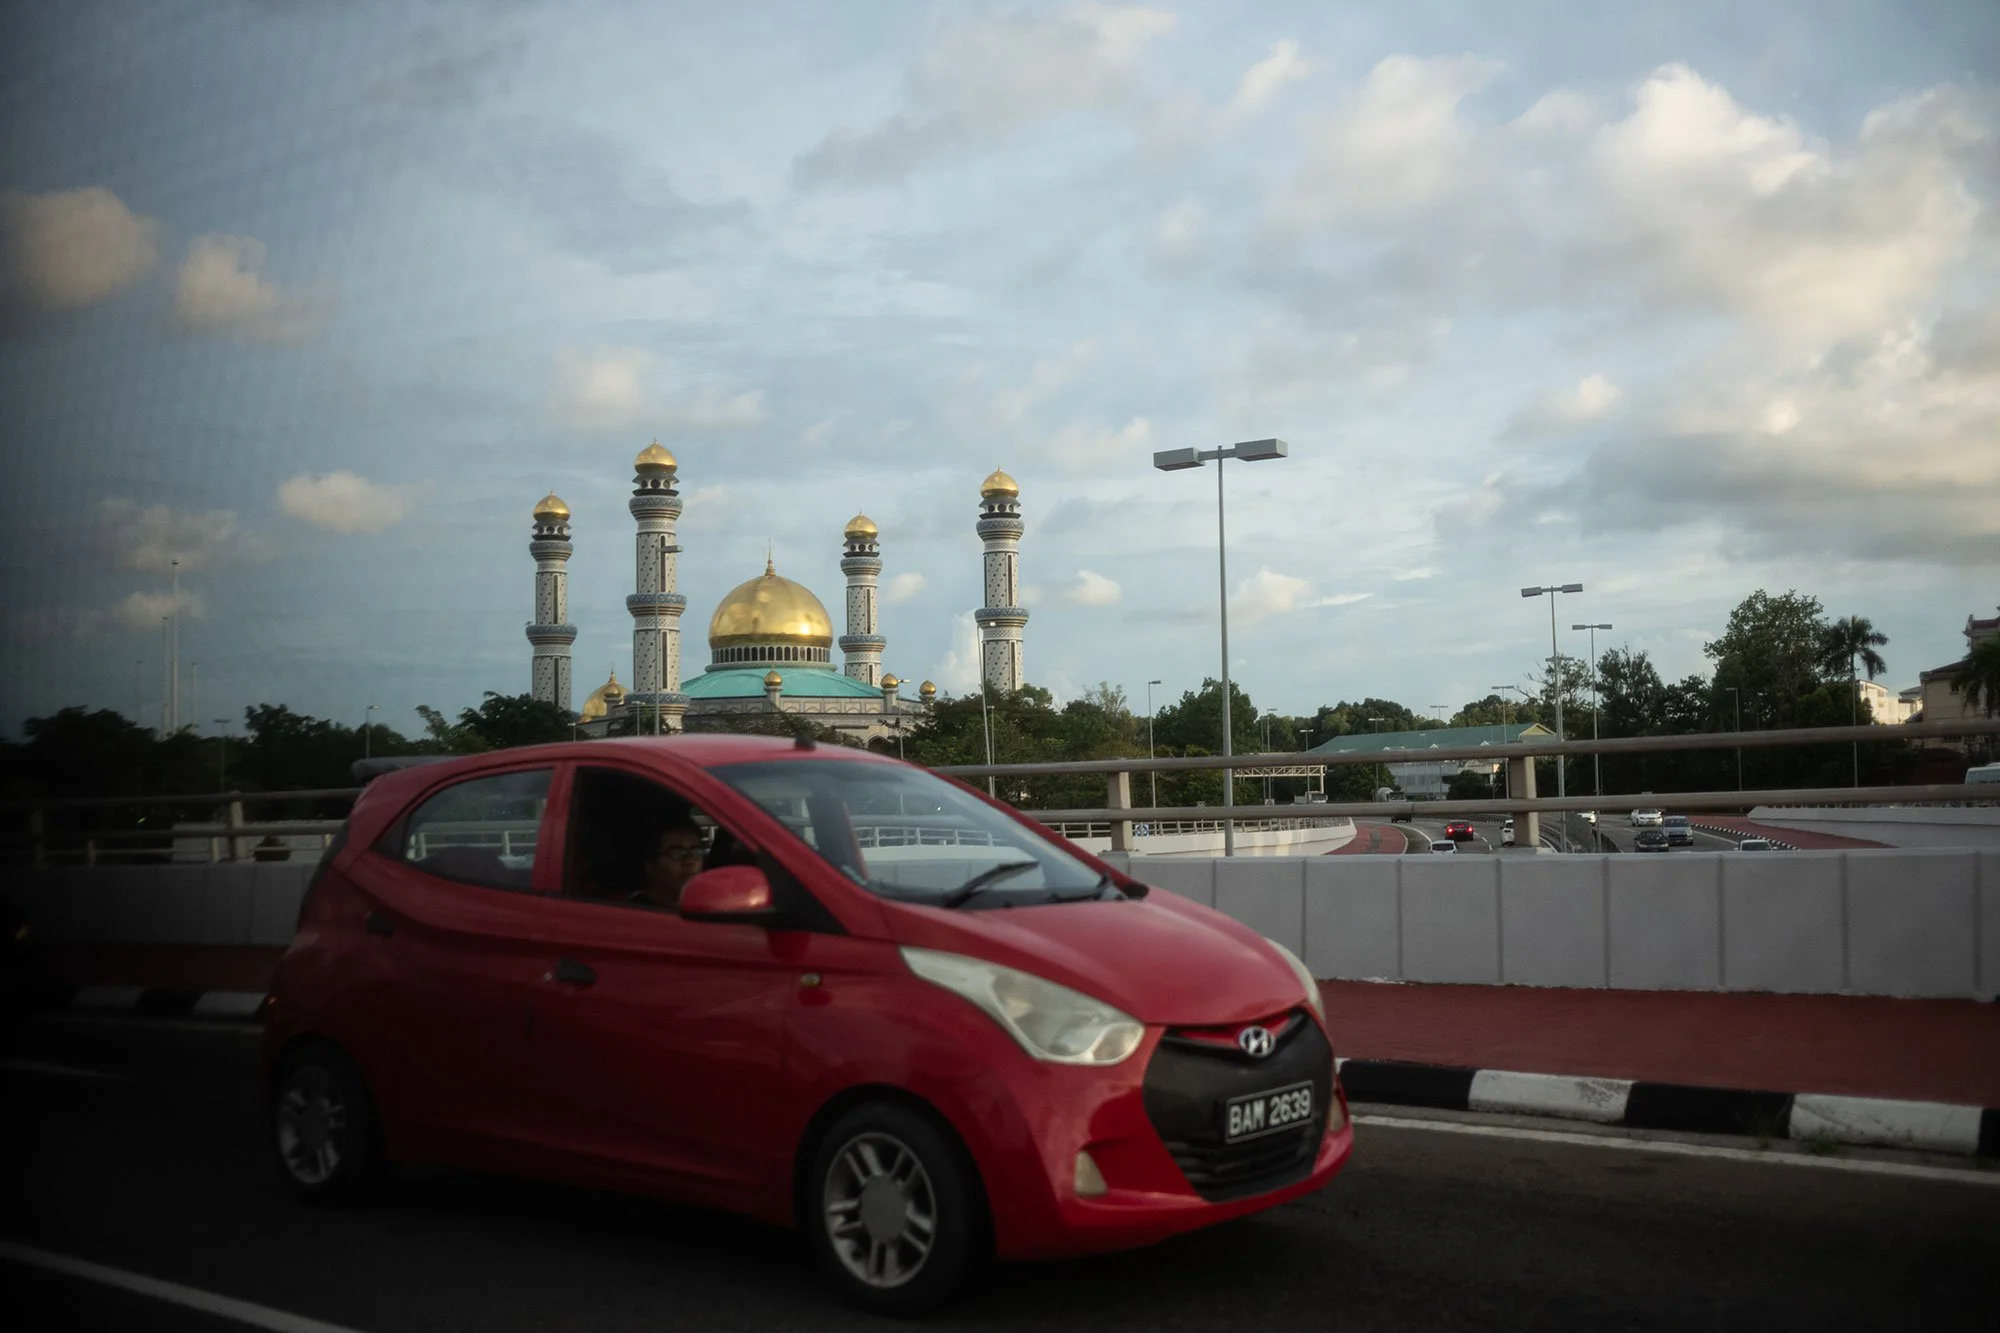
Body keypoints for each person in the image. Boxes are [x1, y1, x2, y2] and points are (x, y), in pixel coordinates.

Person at [633, 813, 707, 910]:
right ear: (650, 867)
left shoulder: (706, 908)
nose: (689, 861)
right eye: (676, 853)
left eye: (695, 851)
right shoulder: (633, 913)